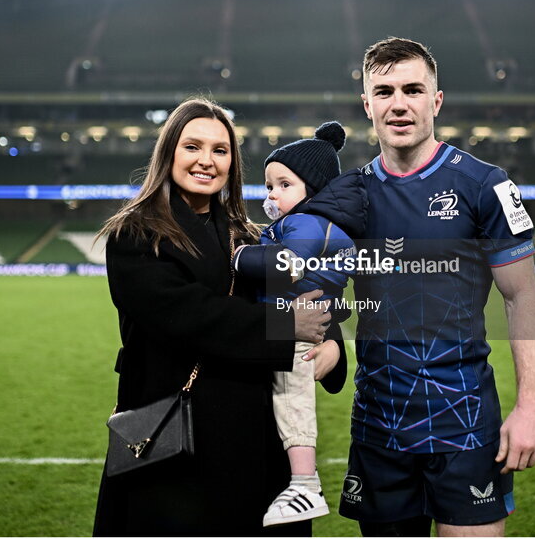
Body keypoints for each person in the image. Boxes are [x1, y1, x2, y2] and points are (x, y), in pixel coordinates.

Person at [92, 98, 346, 537]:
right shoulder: (136, 234)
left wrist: (333, 347)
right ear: (169, 151)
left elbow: (309, 296)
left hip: (256, 442)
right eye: (193, 147)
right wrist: (286, 330)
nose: (207, 161)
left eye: (221, 150)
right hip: (175, 442)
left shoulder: (248, 235)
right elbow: (188, 315)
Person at [337, 38, 535, 537]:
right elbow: (310, 292)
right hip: (377, 424)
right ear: (367, 105)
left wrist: (531, 406)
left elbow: (523, 296)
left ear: (436, 100)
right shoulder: (348, 196)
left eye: (413, 89)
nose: (399, 103)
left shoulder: (484, 185)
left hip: (465, 422)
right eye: (384, 91)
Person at [232, 122, 365, 527]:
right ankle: (301, 482)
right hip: (284, 323)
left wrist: (239, 258)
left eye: (283, 185)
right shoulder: (300, 223)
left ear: (314, 187)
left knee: (292, 400)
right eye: (269, 185)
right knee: (288, 400)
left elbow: (287, 268)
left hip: (292, 329)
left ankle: (305, 483)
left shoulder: (307, 225)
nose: (271, 195)